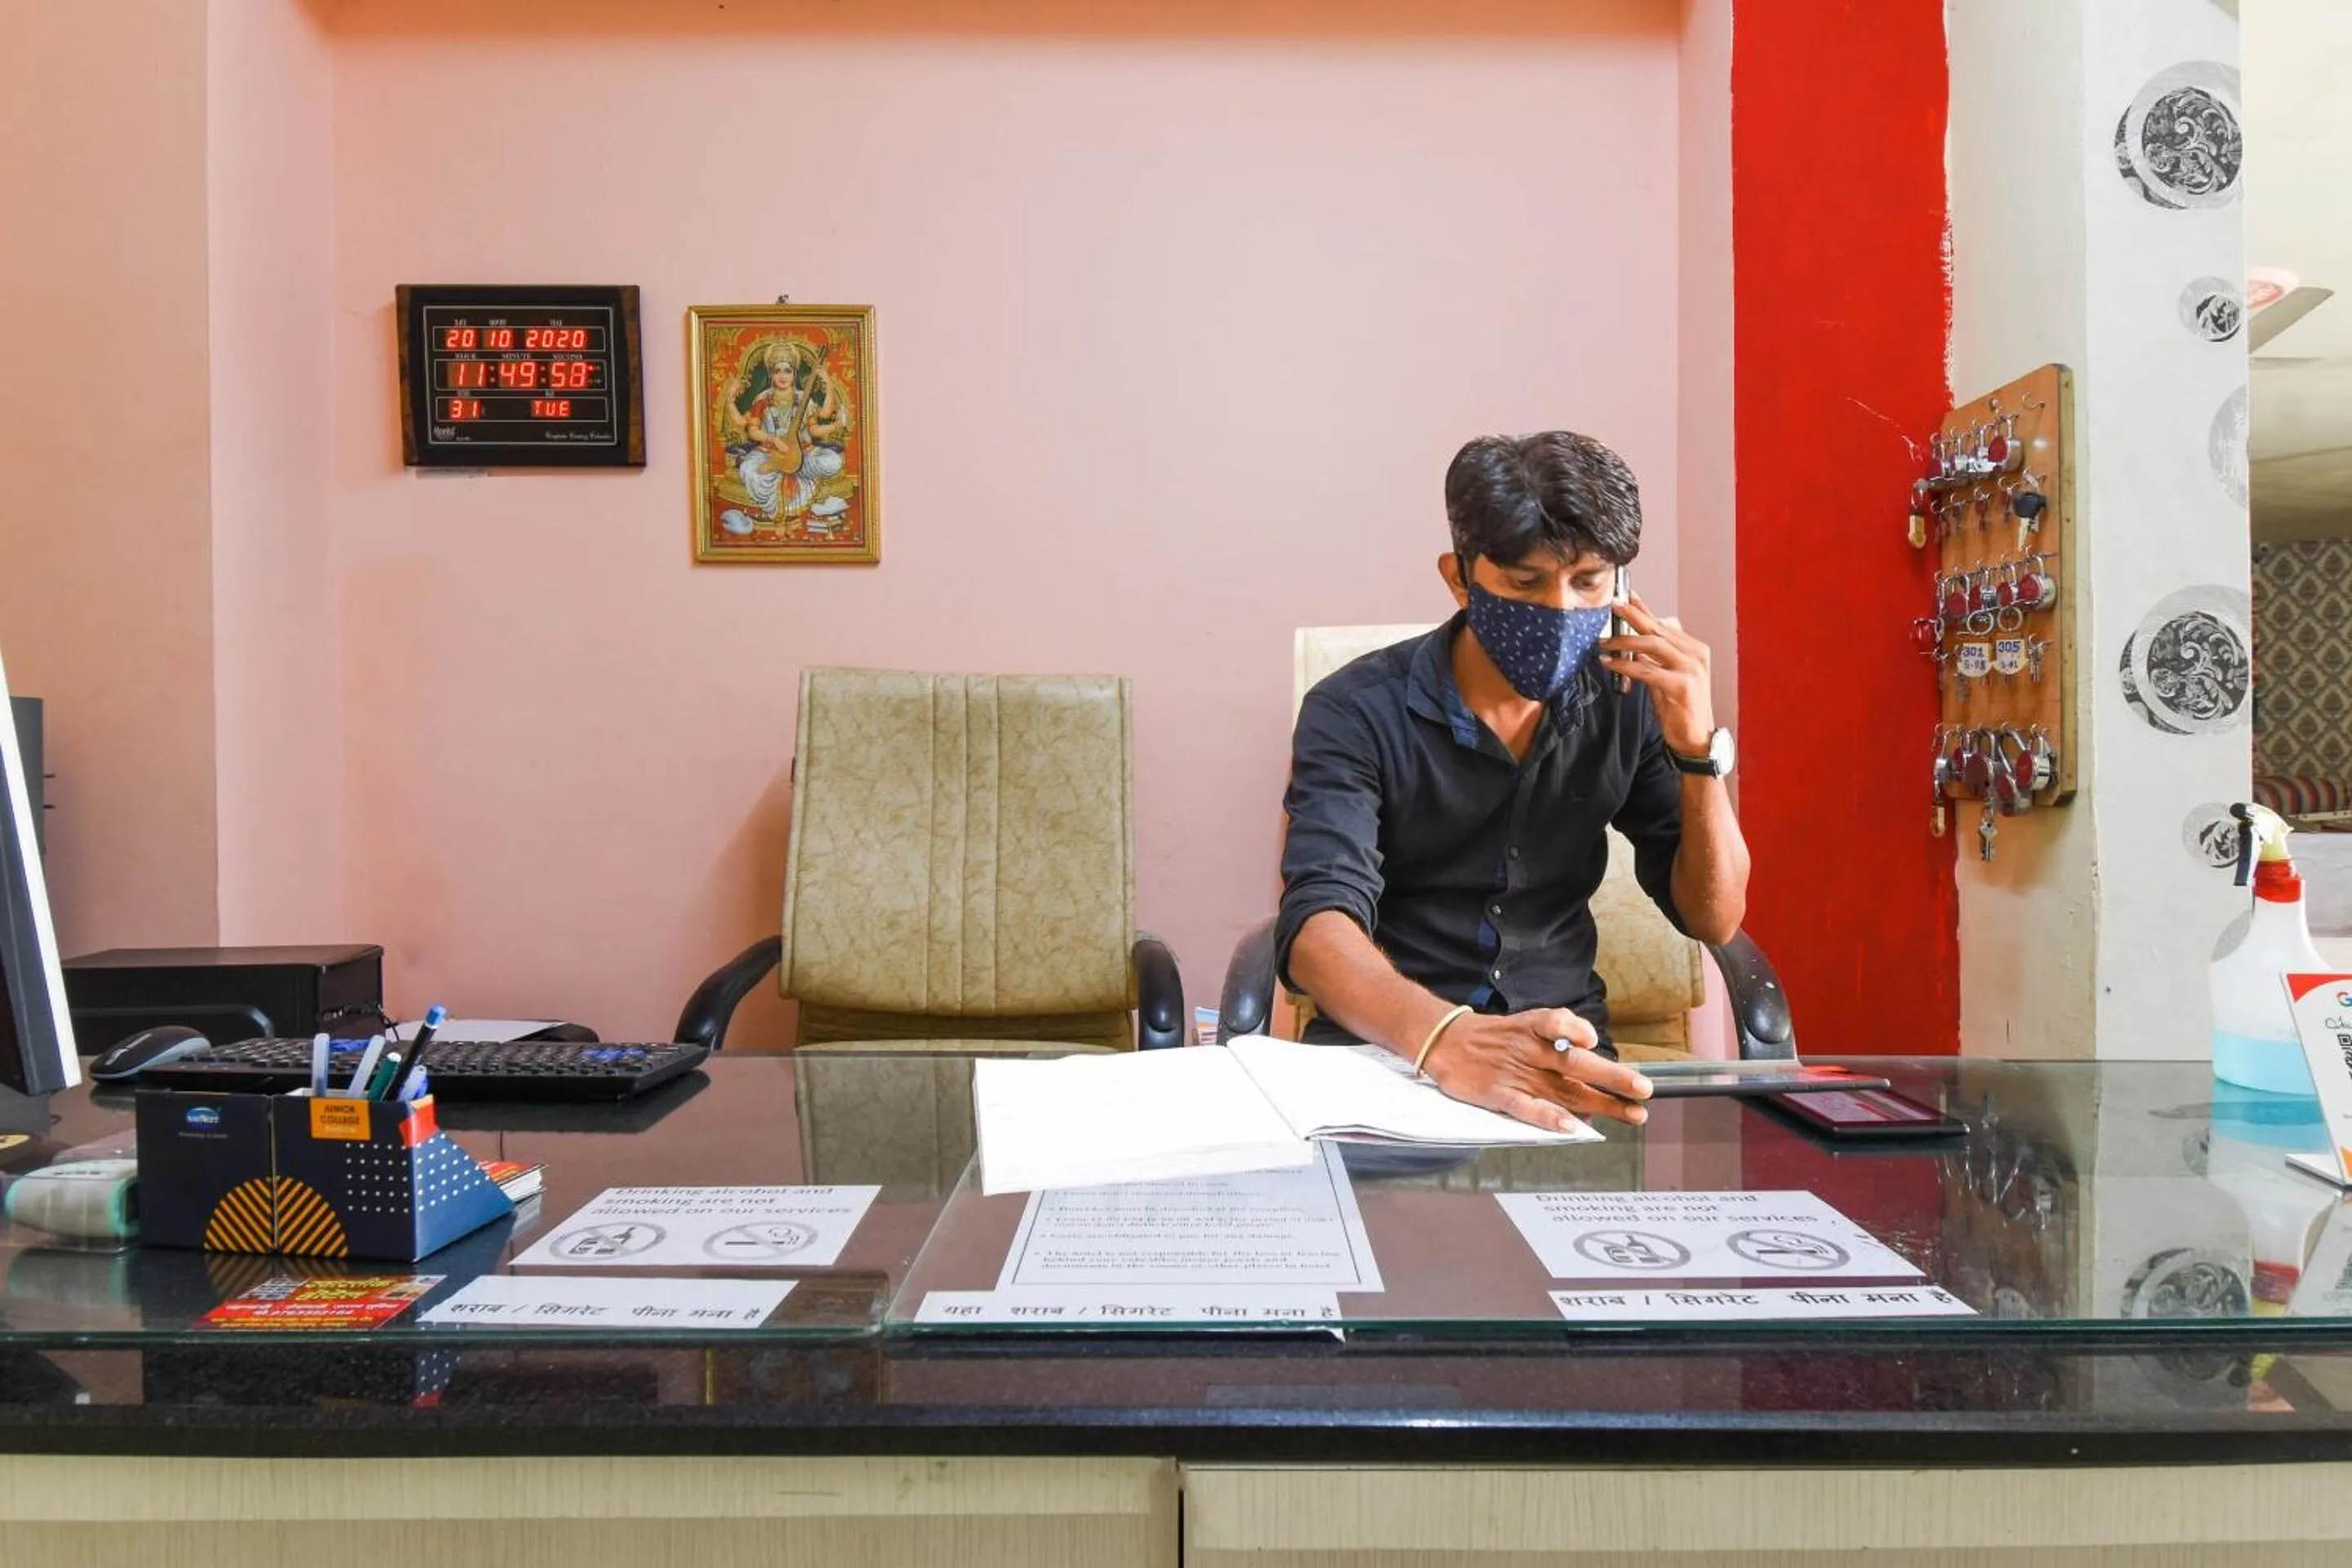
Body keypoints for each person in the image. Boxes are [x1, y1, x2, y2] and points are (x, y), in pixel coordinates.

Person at [1276, 431, 1750, 1131]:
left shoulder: (1630, 698)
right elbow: (1317, 926)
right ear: (1460, 576)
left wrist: (1697, 752)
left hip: (1565, 1054)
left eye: (1589, 581)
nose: (1560, 609)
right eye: (1526, 583)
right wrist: (1446, 1038)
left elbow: (1713, 917)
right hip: (1386, 1056)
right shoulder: (1354, 709)